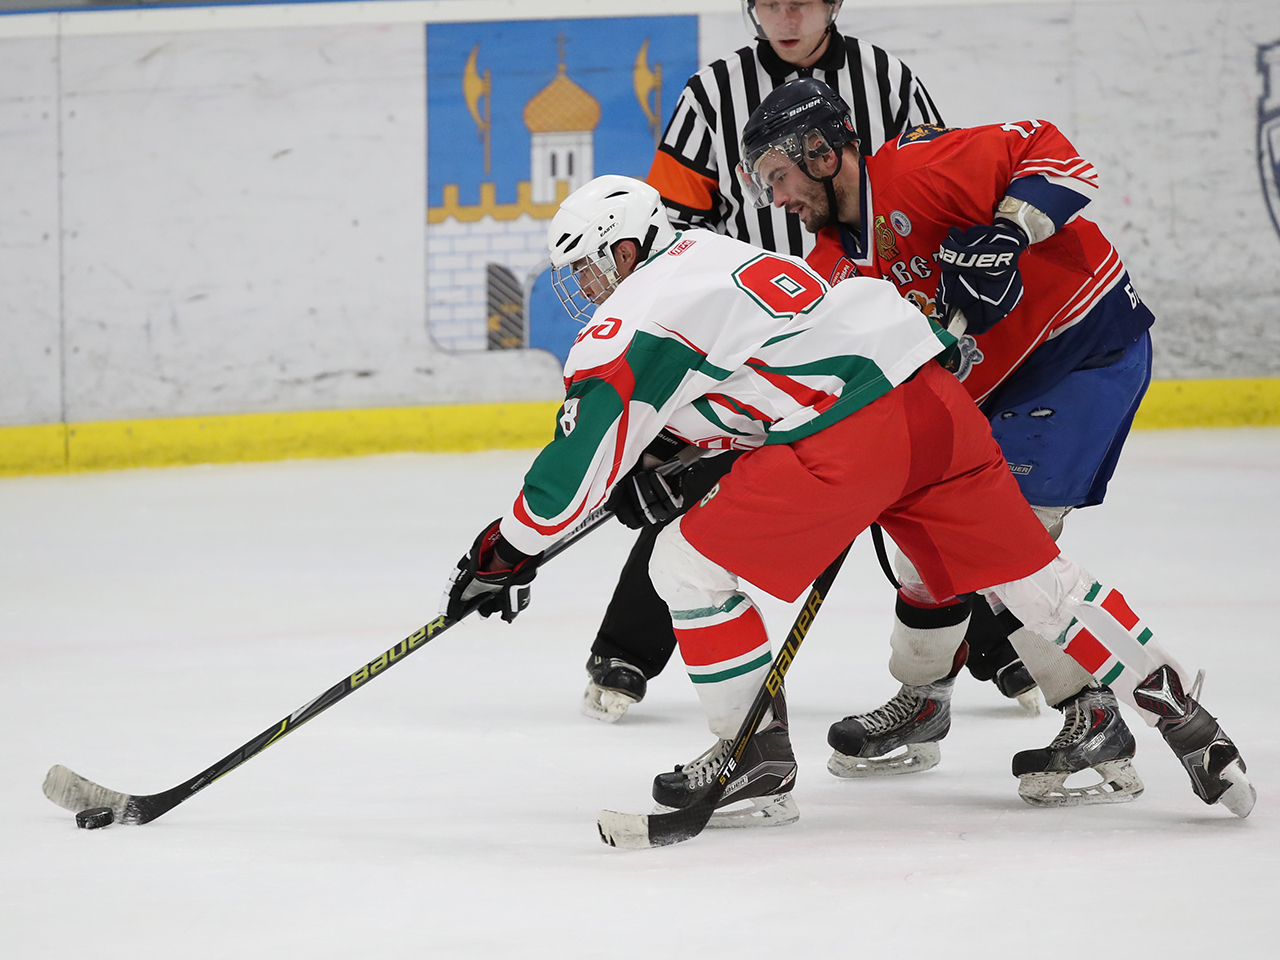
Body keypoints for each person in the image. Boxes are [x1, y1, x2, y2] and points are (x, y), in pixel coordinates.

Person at [442, 174, 1254, 829]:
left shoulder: (635, 311)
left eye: (588, 267)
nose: (587, 288)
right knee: (1037, 583)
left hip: (849, 440)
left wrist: (505, 551)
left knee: (683, 564)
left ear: (625, 248)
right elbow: (754, 373)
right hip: (934, 406)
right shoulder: (719, 254)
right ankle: (1185, 712)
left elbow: (578, 458)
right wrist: (677, 451)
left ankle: (752, 758)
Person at [580, 0, 1037, 724]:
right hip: (754, 339)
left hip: (872, 326)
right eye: (770, 1)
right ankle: (628, 649)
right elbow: (673, 226)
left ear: (833, 3)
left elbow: (932, 189)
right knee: (700, 480)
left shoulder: (884, 78)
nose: (787, 15)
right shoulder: (712, 94)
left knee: (926, 484)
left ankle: (997, 642)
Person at [737, 77, 1160, 802]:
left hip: (1080, 350)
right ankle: (923, 699)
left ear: (821, 152)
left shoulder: (917, 169)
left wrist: (1010, 231)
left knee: (1006, 541)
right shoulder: (832, 267)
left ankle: (1091, 713)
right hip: (989, 392)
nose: (776, 199)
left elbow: (1054, 155)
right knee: (917, 536)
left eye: (778, 176)